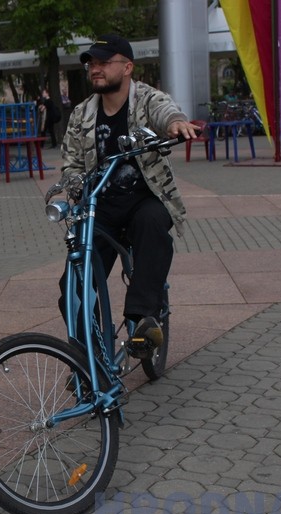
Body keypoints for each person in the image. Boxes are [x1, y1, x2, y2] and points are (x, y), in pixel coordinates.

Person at [46, 34, 199, 358]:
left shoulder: (146, 99)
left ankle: (143, 319)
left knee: (152, 225)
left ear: (127, 67)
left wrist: (175, 124)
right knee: (72, 285)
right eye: (92, 63)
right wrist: (74, 184)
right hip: (100, 206)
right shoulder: (83, 113)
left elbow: (165, 112)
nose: (95, 69)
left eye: (104, 62)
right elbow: (71, 163)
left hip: (144, 198)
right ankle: (91, 355)